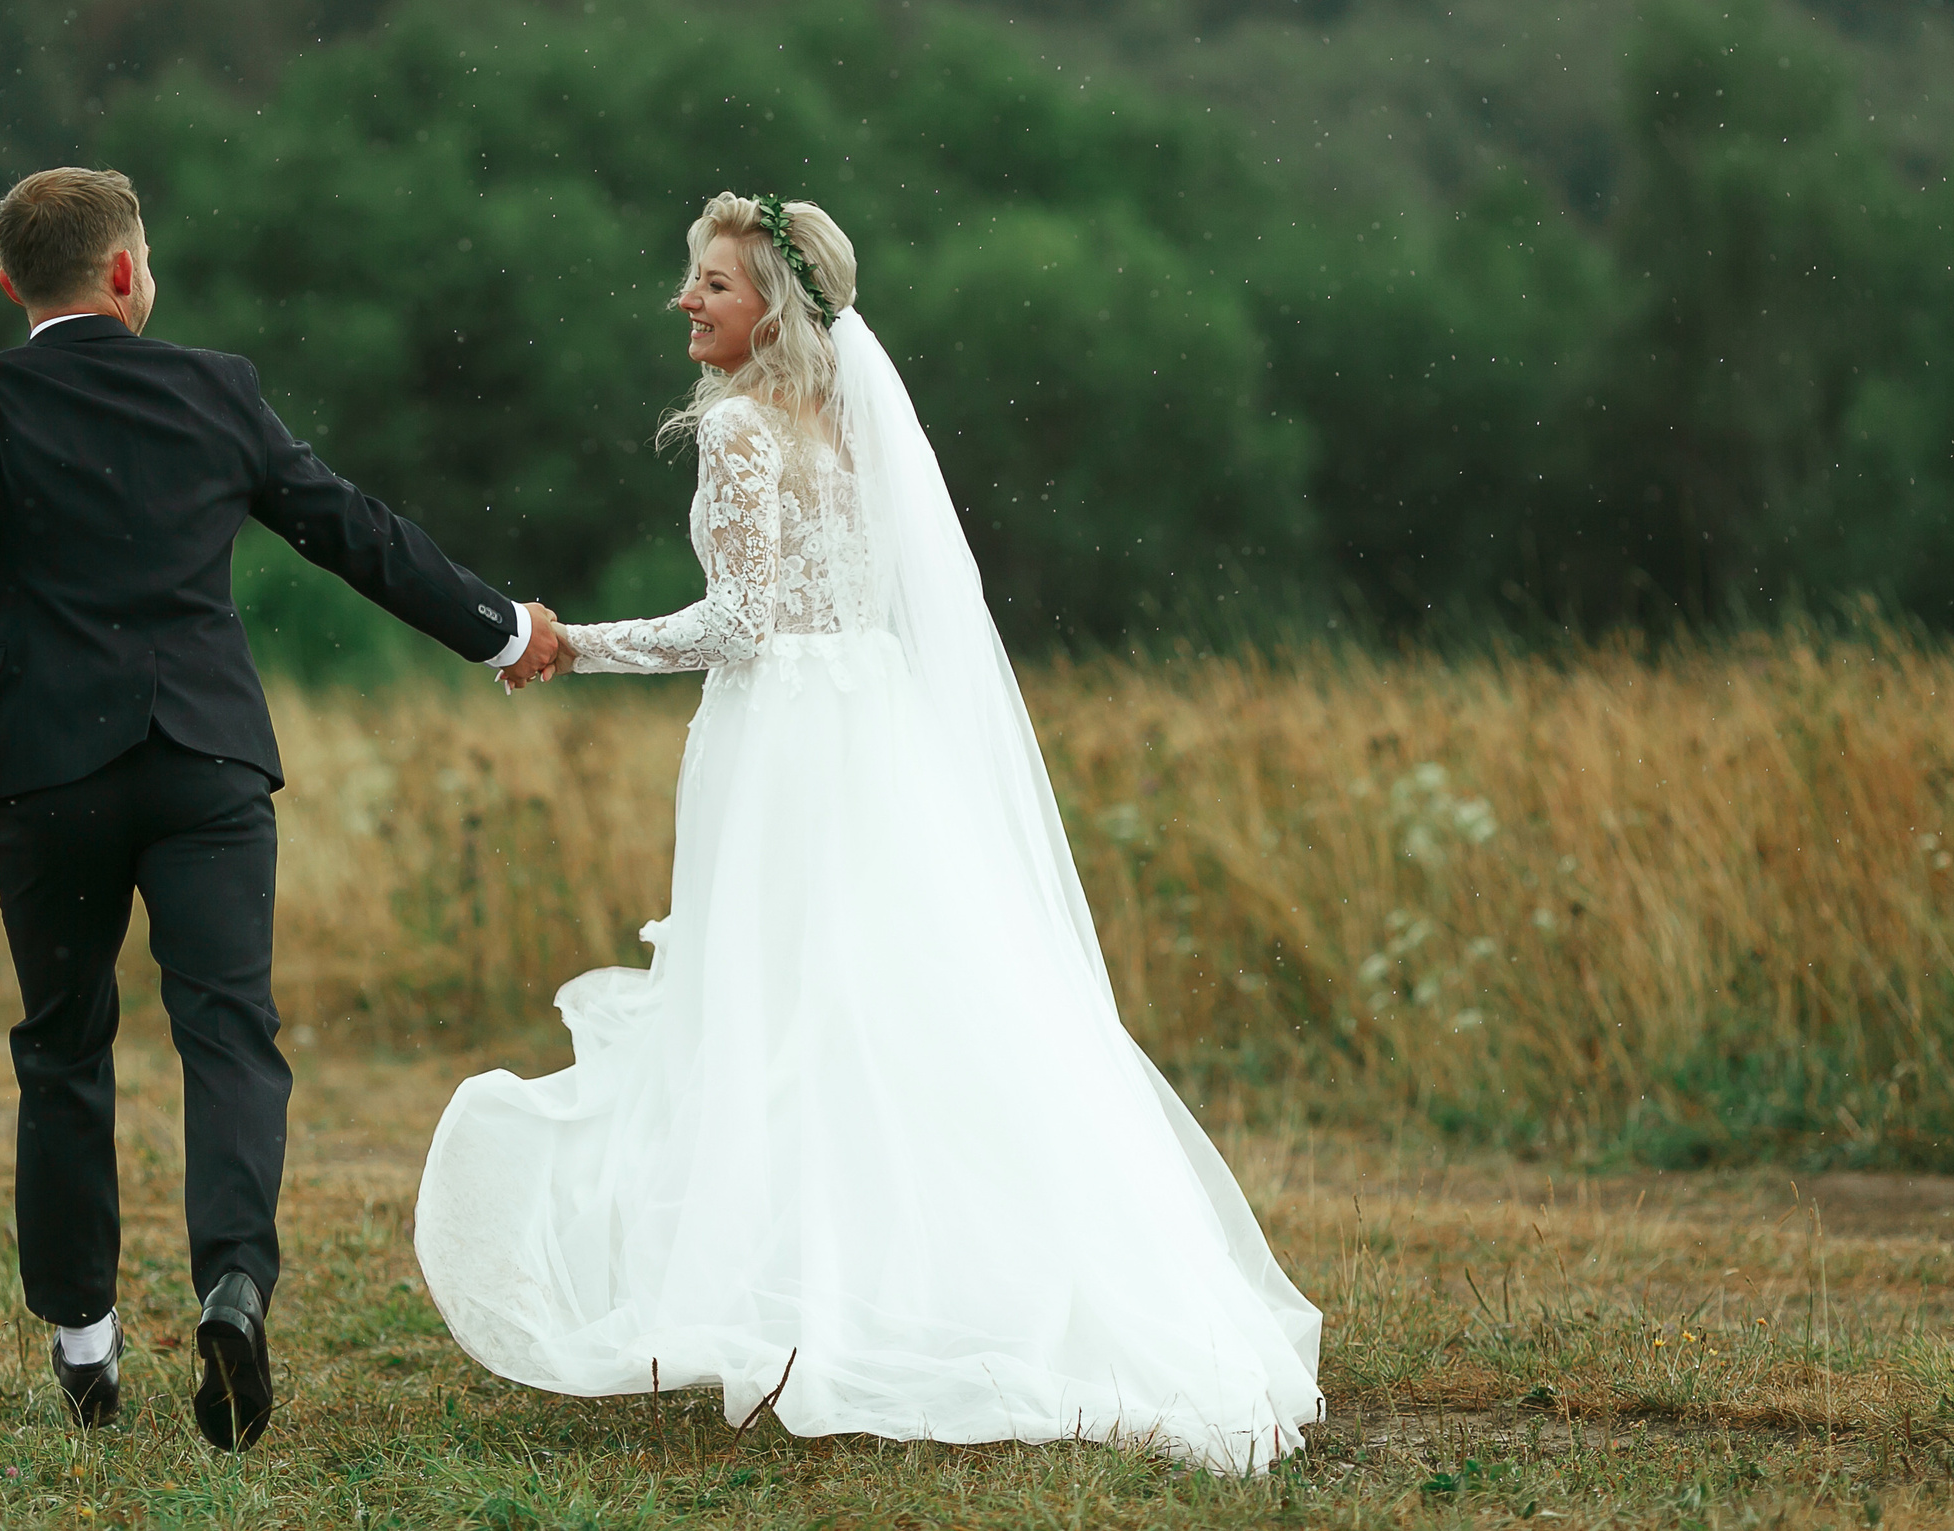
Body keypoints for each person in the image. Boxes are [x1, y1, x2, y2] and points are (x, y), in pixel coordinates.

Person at [414, 192, 1323, 1473]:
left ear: (772, 308)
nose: (688, 301)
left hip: (787, 741)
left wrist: (576, 645)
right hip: (875, 730)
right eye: (692, 279)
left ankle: (810, 1302)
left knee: (785, 1012)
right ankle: (913, 1285)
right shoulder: (852, 426)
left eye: (716, 287)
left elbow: (738, 625)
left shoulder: (737, 430)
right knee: (898, 1007)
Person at [0, 167, 560, 1449]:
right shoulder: (214, 390)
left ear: (13, 283)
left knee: (63, 1044)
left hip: (48, 769)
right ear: (126, 275)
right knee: (229, 1032)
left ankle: (84, 1343)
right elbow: (352, 529)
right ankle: (232, 1283)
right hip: (208, 762)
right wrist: (499, 631)